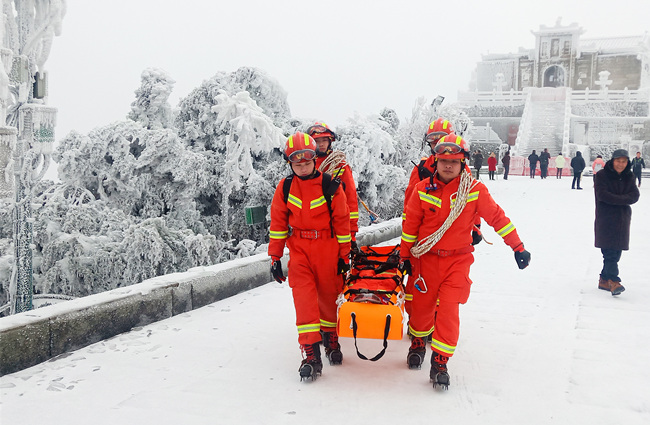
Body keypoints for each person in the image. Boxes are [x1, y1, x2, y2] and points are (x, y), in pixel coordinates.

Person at [399, 134, 531, 389]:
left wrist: (517, 247)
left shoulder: (474, 190)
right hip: (424, 261)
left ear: (463, 163)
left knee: (448, 311)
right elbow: (410, 227)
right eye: (444, 160)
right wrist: (405, 257)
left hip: (457, 262)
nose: (448, 165)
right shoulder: (422, 189)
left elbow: (497, 219)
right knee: (421, 310)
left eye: (455, 161)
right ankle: (417, 343)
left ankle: (440, 362)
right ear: (436, 162)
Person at [268, 132, 352, 381]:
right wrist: (275, 257)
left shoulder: (331, 186)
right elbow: (278, 224)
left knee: (328, 298)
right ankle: (310, 354)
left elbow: (343, 222)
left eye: (306, 162)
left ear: (315, 159)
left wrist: (344, 255)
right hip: (300, 251)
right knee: (304, 300)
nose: (302, 167)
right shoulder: (284, 188)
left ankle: (331, 340)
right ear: (290, 163)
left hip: (328, 248)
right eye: (297, 163)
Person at [402, 118, 456, 318]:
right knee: (417, 281)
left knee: (445, 286)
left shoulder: (460, 168)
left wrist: (475, 227)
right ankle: (415, 320)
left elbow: (469, 200)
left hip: (449, 238)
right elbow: (409, 205)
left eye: (441, 140)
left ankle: (437, 321)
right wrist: (408, 239)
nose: (437, 145)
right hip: (423, 239)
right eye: (433, 141)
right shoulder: (421, 169)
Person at [307, 122, 359, 250]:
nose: (321, 144)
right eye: (317, 140)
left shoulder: (340, 165)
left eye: (325, 139)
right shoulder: (304, 166)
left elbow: (350, 199)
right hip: (310, 233)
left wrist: (351, 233)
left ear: (330, 141)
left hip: (334, 229)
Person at [594, 149, 640, 296]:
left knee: (616, 251)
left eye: (624, 161)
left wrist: (618, 199)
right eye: (618, 161)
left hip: (623, 219)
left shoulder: (629, 176)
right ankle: (614, 281)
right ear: (612, 161)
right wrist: (623, 199)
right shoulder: (602, 175)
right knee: (609, 252)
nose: (621, 164)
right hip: (606, 218)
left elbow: (634, 195)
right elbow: (602, 195)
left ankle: (603, 279)